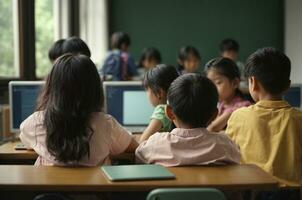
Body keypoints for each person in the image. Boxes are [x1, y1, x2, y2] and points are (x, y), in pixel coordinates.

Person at [20, 54, 138, 166]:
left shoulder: (35, 122)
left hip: (49, 187)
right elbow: (132, 147)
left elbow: (27, 142)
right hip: (95, 187)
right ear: (95, 89)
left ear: (52, 87)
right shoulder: (106, 124)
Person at [226, 47, 302, 185]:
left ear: (253, 83)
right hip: (292, 194)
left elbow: (230, 156)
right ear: (288, 86)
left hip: (251, 191)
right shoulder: (299, 118)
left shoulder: (239, 116)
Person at [136, 74, 241, 166]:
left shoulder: (155, 144)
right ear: (214, 115)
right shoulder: (225, 145)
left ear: (169, 113)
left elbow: (139, 157)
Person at [205, 57, 251, 132]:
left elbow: (212, 128)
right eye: (210, 84)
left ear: (235, 83)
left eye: (218, 83)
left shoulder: (241, 107)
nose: (212, 88)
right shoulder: (219, 103)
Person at [139, 64, 179, 142]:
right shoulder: (179, 107)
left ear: (159, 93)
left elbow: (142, 142)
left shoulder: (161, 110)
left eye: (147, 90)